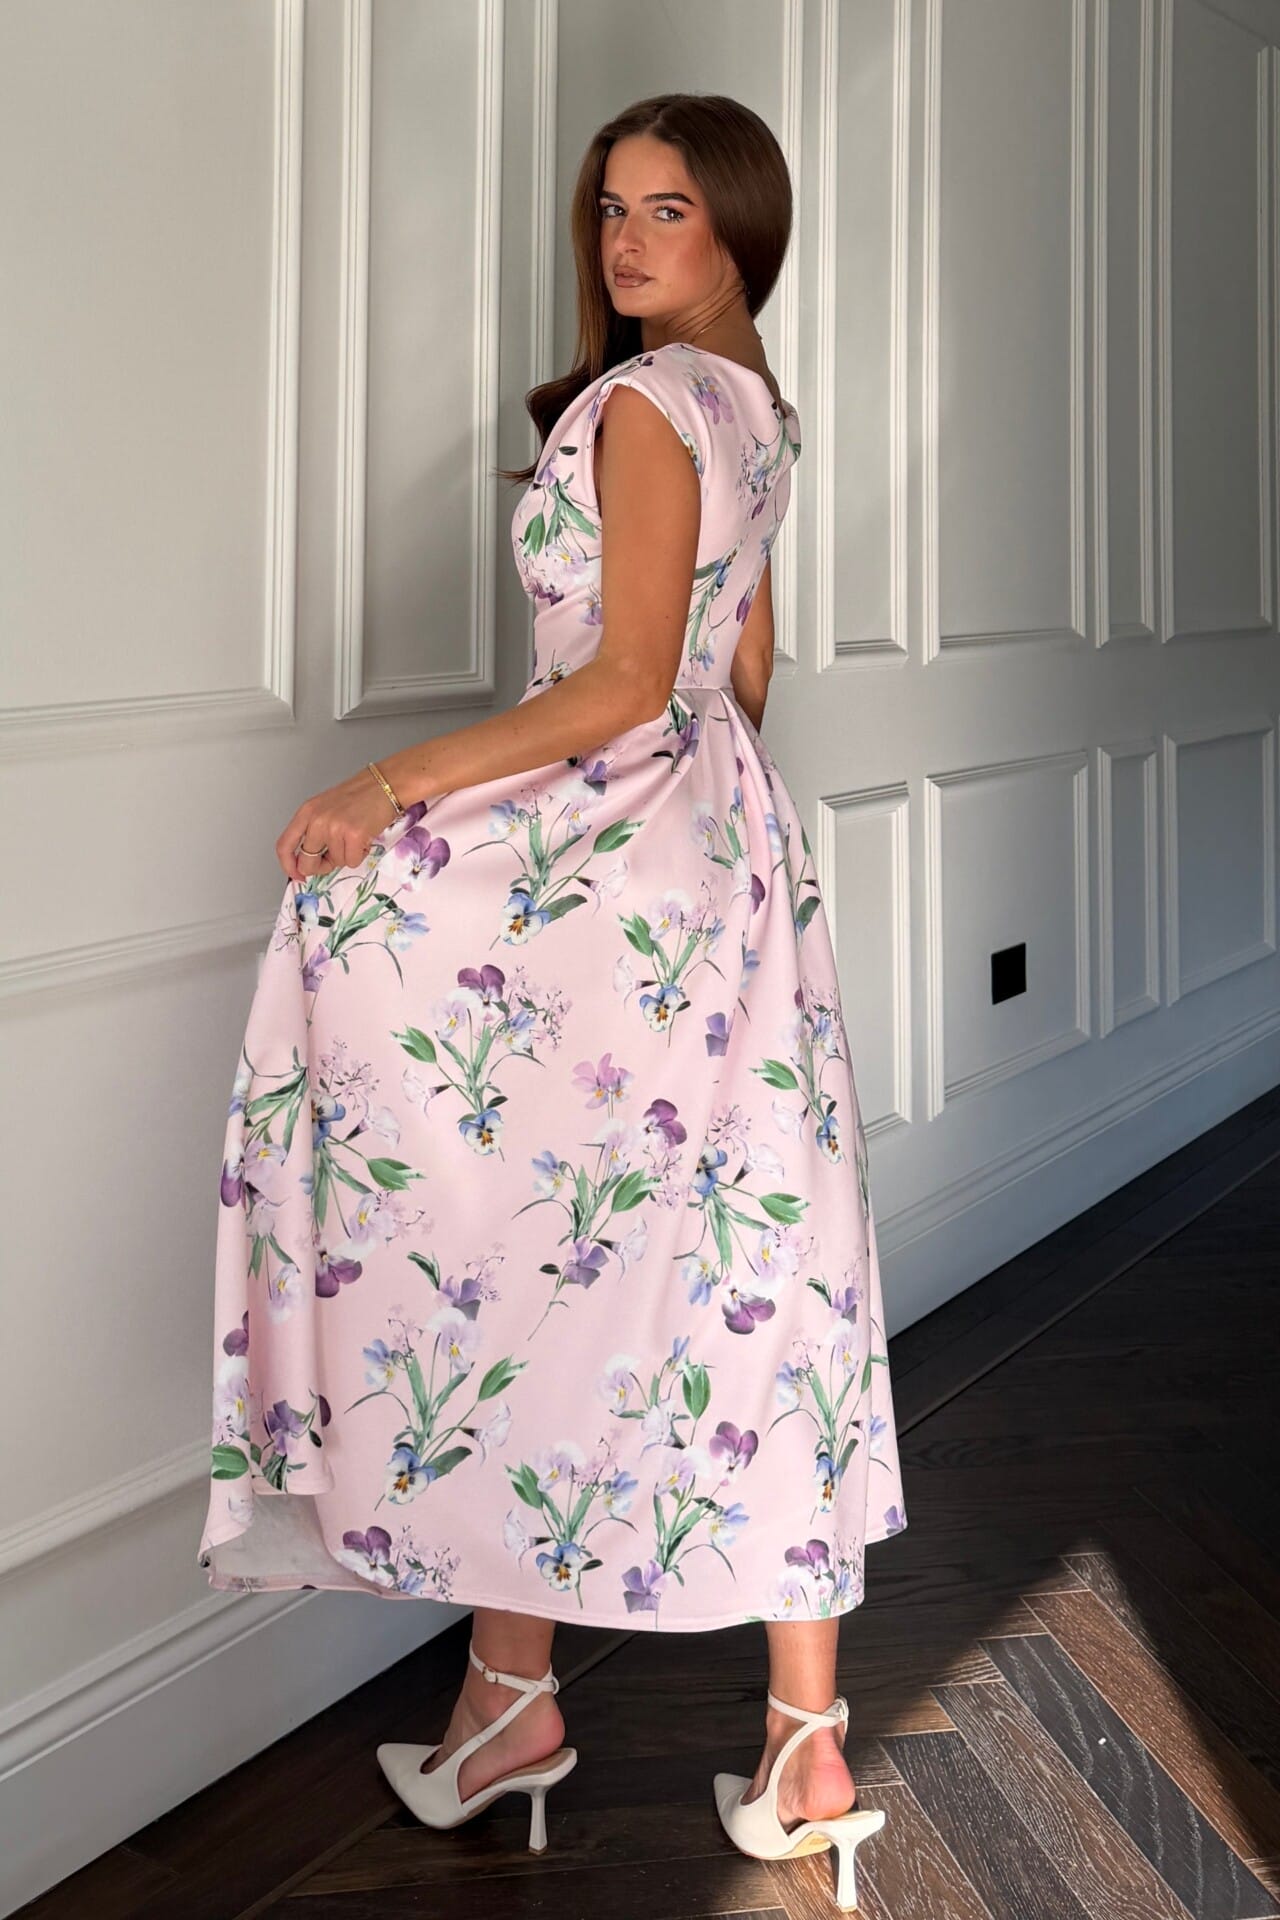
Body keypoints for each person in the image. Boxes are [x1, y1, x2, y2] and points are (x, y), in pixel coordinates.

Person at [197, 91, 907, 1908]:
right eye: (611, 208)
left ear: (741, 225)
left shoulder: (647, 403)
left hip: (616, 868)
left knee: (530, 1257)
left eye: (668, 209)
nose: (627, 240)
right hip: (727, 864)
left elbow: (625, 686)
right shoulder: (759, 409)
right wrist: (704, 833)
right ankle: (784, 1747)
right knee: (750, 1274)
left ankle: (513, 1702)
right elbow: (743, 676)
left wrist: (392, 787)